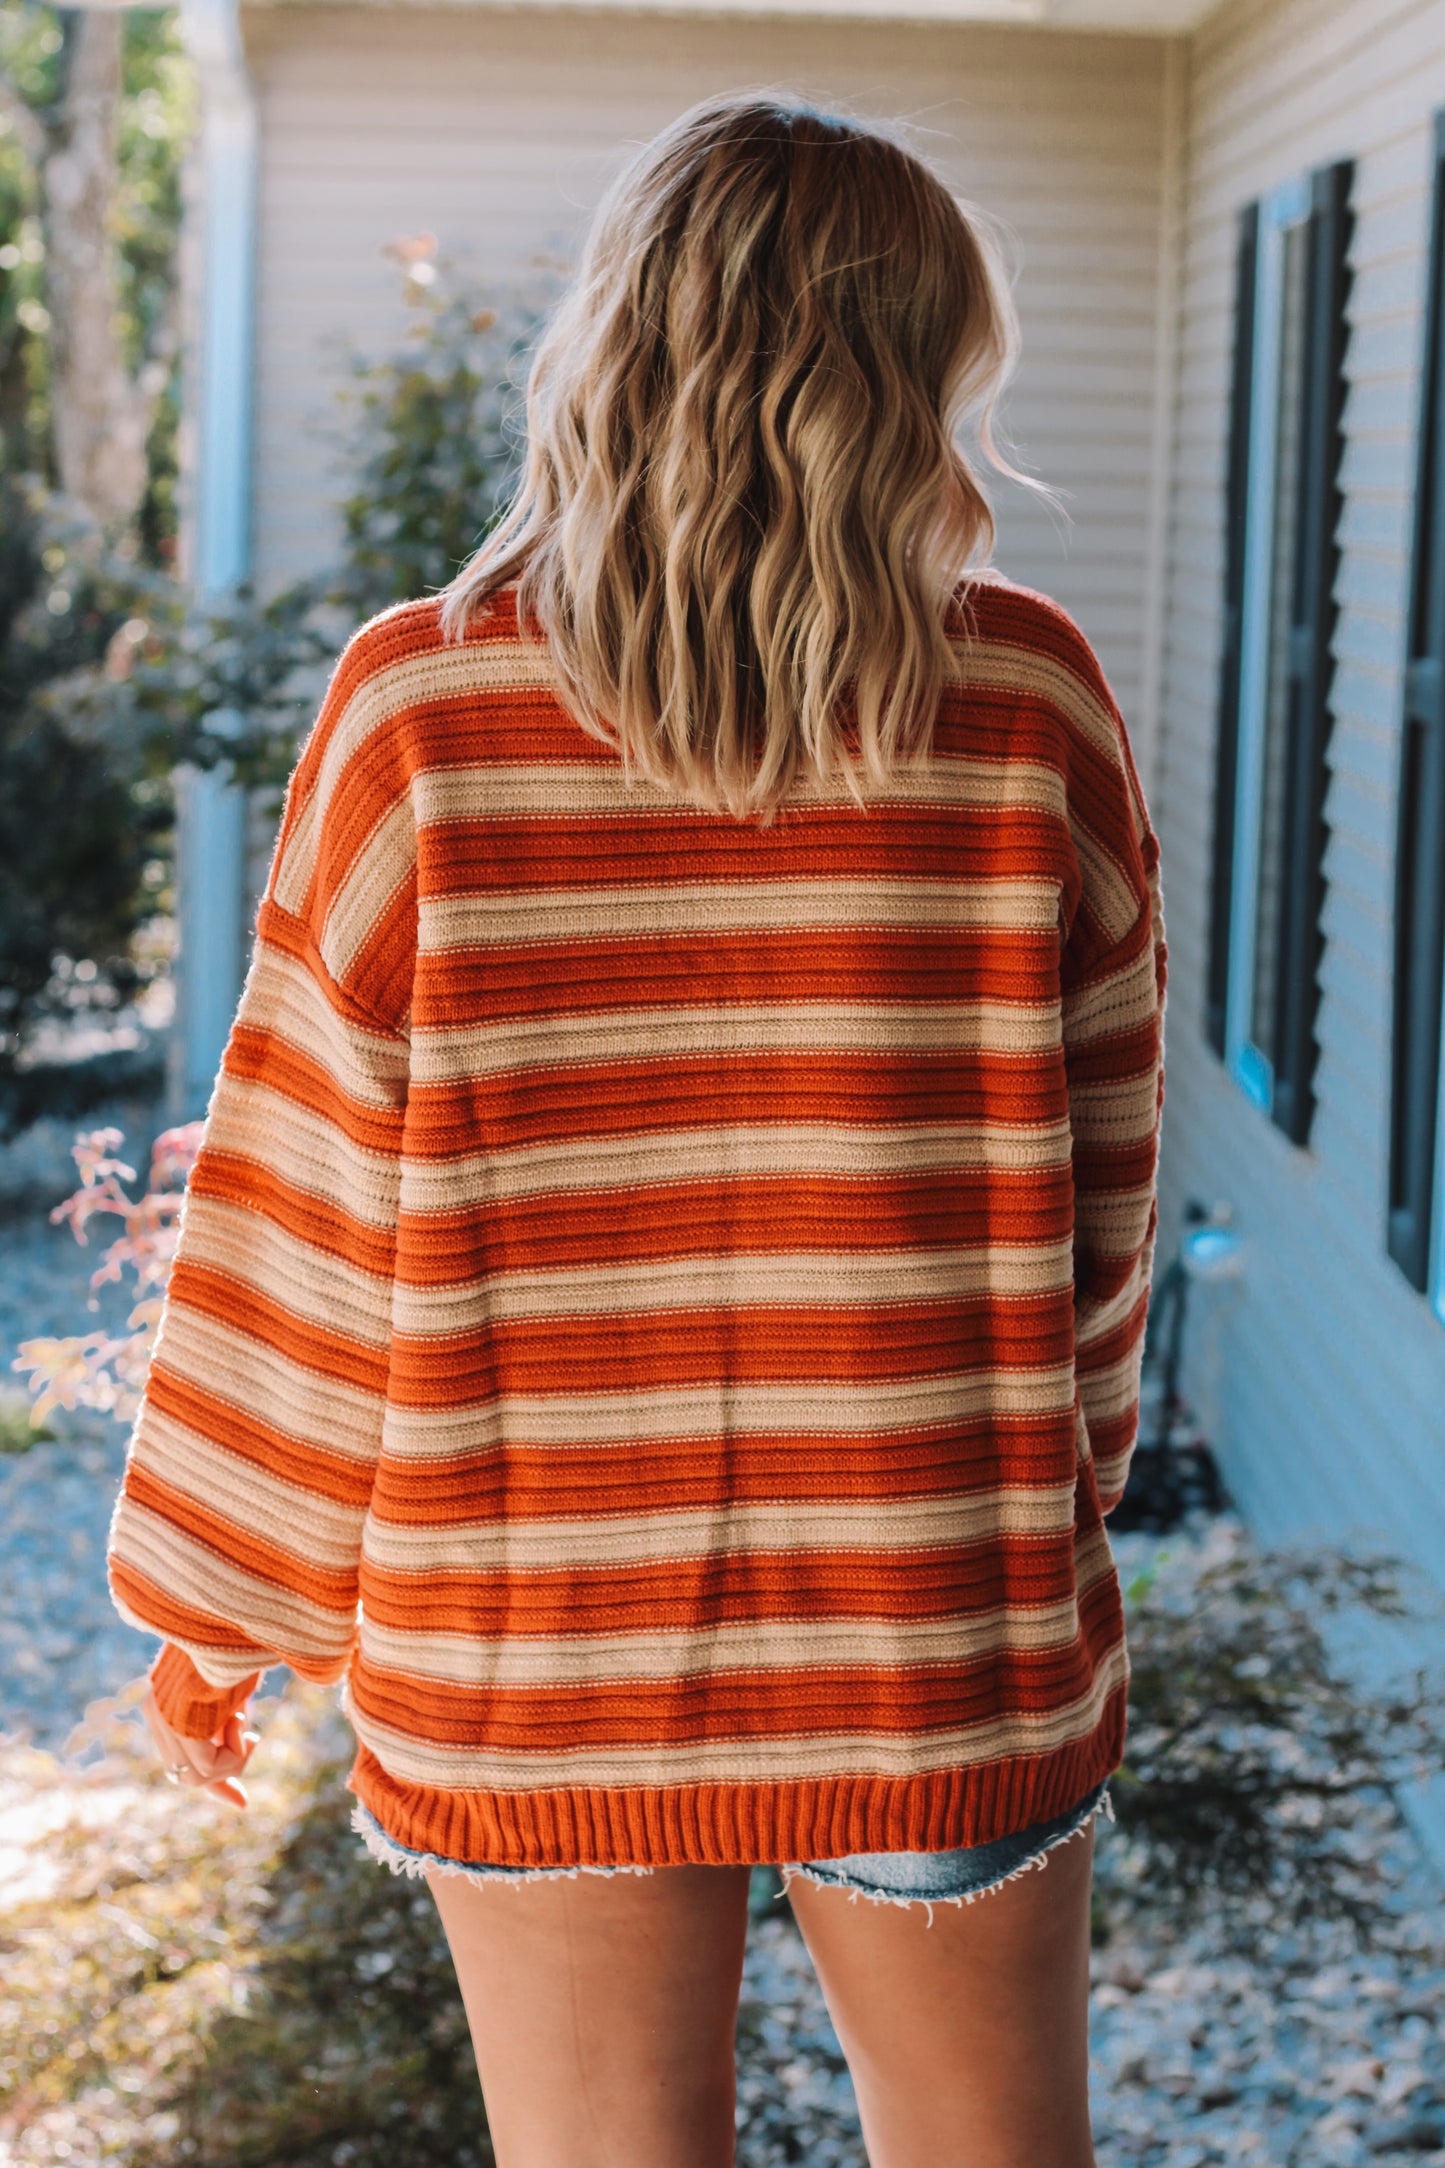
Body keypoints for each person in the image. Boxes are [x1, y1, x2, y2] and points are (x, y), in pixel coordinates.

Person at [113, 93, 1166, 2168]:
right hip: (934, 1609)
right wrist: (1047, 1488)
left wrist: (227, 1596)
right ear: (913, 373)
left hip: (536, 1636)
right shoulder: (1029, 707)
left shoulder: (422, 716)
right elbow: (1103, 1197)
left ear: (616, 348)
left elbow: (305, 1212)